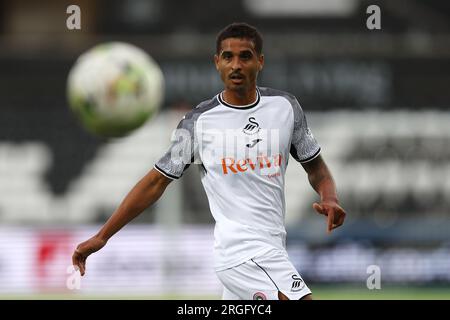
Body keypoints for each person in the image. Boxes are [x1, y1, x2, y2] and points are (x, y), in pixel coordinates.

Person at [72, 22, 346, 300]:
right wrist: (103, 236)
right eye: (228, 57)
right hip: (241, 253)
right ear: (217, 63)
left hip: (273, 246)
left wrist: (330, 196)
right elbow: (156, 181)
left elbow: (317, 168)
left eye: (245, 56)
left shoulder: (285, 108)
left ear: (260, 61)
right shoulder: (198, 123)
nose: (236, 65)